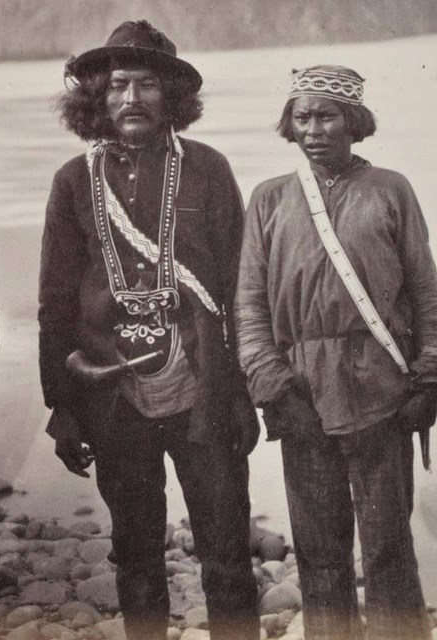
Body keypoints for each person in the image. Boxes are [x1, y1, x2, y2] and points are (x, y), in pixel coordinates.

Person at [39, 20, 260, 640]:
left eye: (145, 85)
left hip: (203, 392)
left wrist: (241, 391)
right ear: (95, 99)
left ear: (172, 97)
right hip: (113, 397)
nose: (131, 99)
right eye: (116, 88)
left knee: (226, 556)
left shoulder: (210, 169)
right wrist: (63, 405)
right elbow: (54, 305)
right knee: (135, 557)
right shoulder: (71, 180)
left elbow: (242, 290)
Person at [236, 64, 437, 640]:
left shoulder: (391, 189)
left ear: (353, 122)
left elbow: (425, 291)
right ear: (289, 125)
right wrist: (273, 387)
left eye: (327, 116)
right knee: (320, 551)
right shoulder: (269, 198)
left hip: (384, 391)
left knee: (389, 547)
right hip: (302, 395)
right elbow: (249, 305)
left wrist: (428, 381)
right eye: (303, 117)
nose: (315, 129)